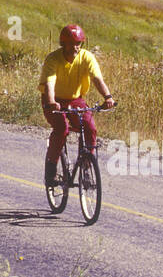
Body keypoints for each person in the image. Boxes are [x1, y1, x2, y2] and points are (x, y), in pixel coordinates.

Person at [39, 24, 115, 186]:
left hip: (75, 99)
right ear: (63, 43)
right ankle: (51, 169)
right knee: (61, 129)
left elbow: (97, 79)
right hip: (52, 100)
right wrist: (52, 102)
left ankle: (86, 166)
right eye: (71, 43)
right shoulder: (53, 59)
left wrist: (107, 97)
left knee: (89, 127)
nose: (75, 47)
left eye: (78, 43)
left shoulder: (87, 57)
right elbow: (50, 84)